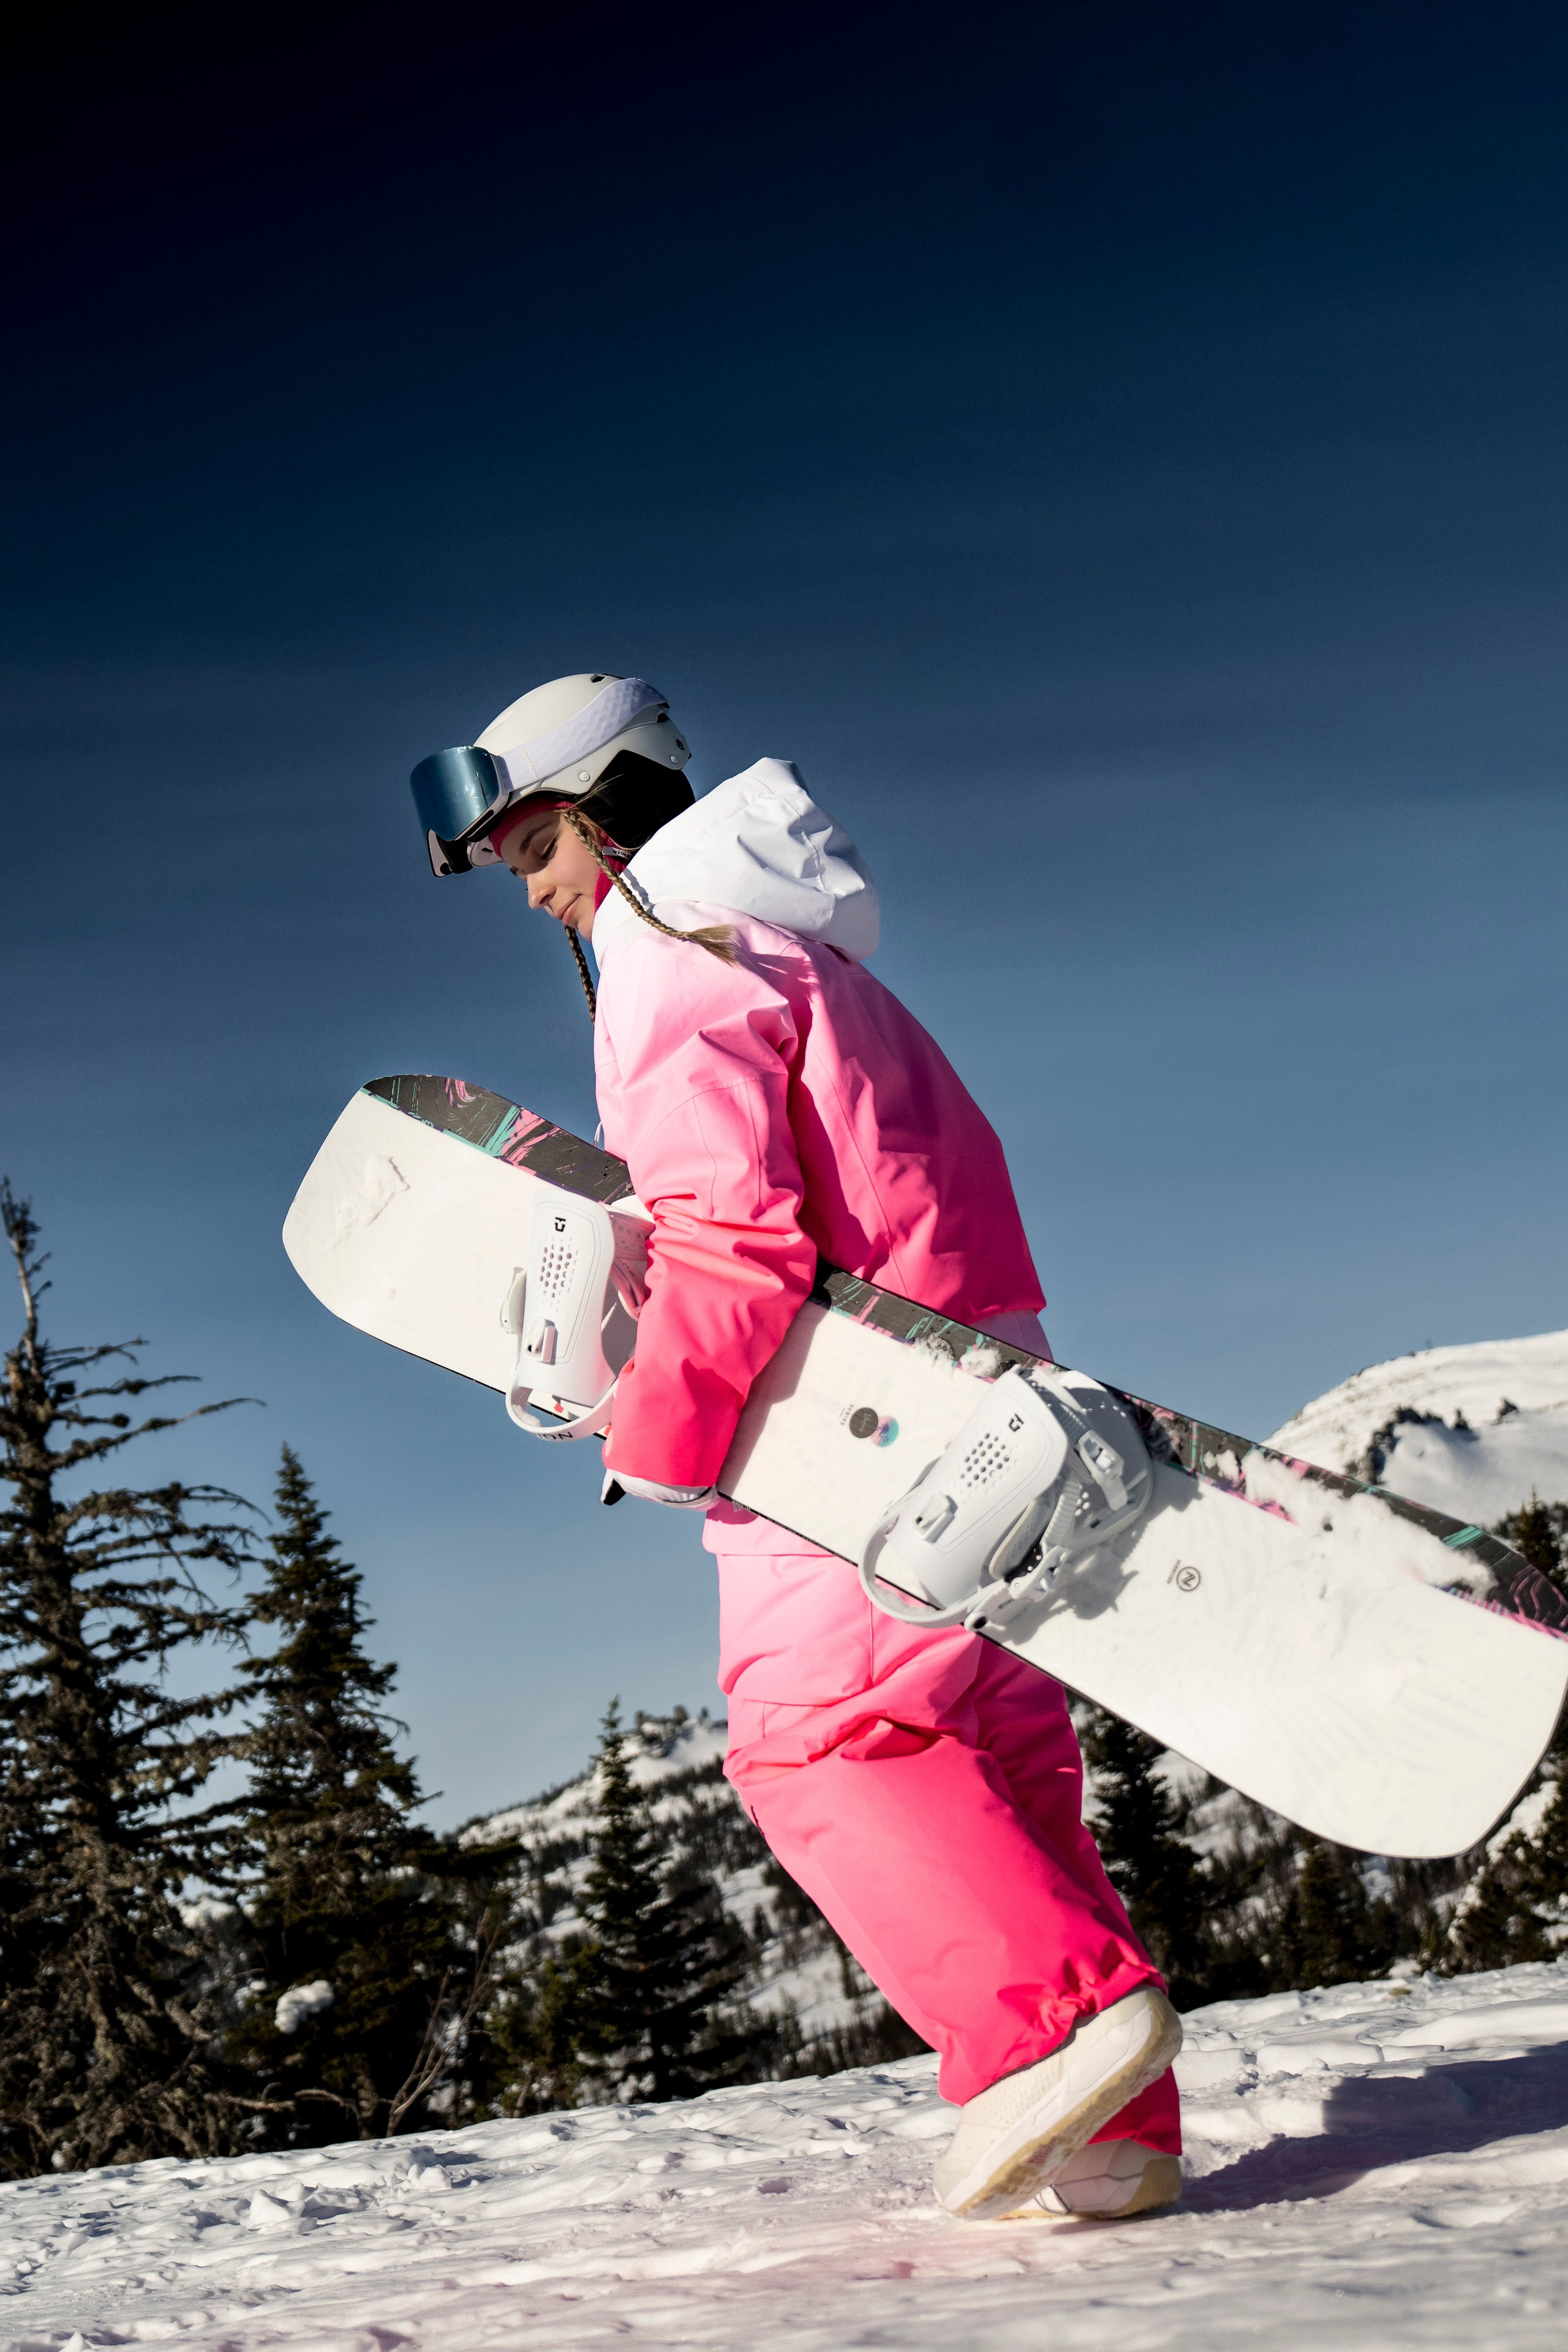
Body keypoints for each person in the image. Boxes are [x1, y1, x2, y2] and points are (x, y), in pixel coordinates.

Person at [410, 673, 1184, 2220]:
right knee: (994, 1757)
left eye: (537, 841)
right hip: (986, 1384)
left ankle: (1056, 2030)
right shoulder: (803, 956)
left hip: (844, 1427)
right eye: (507, 862)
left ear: (611, 796)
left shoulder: (663, 962)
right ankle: (1112, 2135)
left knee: (821, 1743)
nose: (535, 885)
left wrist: (661, 1425)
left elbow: (729, 1241)